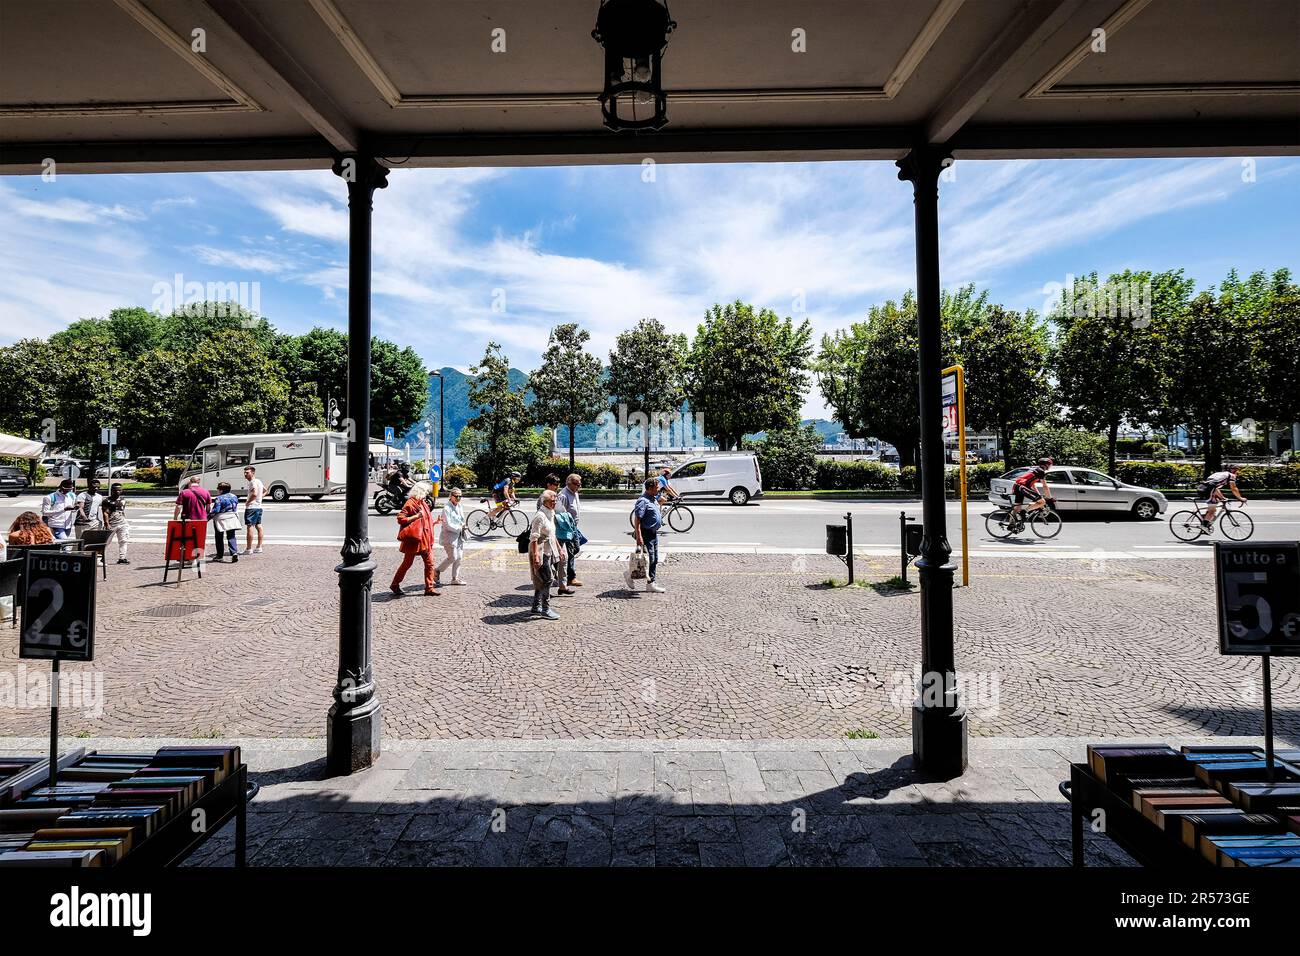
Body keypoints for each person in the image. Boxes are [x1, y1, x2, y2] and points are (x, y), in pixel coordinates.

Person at [391, 481, 438, 597]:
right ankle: (395, 584)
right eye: (426, 492)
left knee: (430, 563)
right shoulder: (410, 503)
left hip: (424, 539)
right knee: (407, 563)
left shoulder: (423, 503)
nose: (427, 494)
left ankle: (429, 588)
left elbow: (425, 520)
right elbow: (400, 518)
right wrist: (416, 516)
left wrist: (435, 522)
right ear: (420, 492)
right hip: (414, 540)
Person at [629, 477, 666, 593]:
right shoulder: (642, 501)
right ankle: (636, 577)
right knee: (650, 559)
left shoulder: (653, 498)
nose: (658, 489)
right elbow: (637, 520)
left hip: (653, 533)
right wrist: (639, 537)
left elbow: (660, 501)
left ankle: (651, 582)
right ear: (650, 488)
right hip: (646, 533)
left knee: (653, 559)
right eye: (656, 488)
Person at [529, 489, 560, 619]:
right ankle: (545, 609)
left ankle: (536, 606)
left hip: (547, 550)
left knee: (541, 580)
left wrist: (559, 548)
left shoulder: (551, 512)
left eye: (555, 501)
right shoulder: (540, 516)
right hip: (539, 552)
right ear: (545, 501)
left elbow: (552, 533)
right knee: (548, 579)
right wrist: (536, 556)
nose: (554, 503)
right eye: (552, 501)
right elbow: (534, 538)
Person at [434, 486, 467, 586]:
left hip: (459, 536)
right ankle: (437, 570)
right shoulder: (446, 508)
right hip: (449, 537)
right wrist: (460, 528)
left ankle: (454, 578)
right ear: (451, 496)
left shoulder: (459, 506)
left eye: (460, 496)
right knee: (453, 557)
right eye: (456, 496)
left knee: (459, 557)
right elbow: (447, 525)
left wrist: (463, 525)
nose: (458, 498)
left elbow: (461, 519)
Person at [556, 473, 583, 588]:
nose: (579, 486)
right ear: (569, 483)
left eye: (580, 484)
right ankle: (570, 577)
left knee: (575, 549)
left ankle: (561, 571)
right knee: (570, 552)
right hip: (567, 528)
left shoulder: (575, 493)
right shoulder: (563, 495)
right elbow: (559, 514)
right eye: (577, 484)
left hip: (574, 527)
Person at [1198, 464, 1246, 529]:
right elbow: (1234, 488)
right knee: (1212, 510)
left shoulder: (1218, 474)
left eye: (1236, 470)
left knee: (1214, 505)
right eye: (1235, 469)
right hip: (1208, 490)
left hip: (1203, 489)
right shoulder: (1231, 475)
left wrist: (1222, 498)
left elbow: (1215, 488)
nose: (1236, 471)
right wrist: (1240, 498)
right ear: (1231, 470)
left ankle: (1205, 519)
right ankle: (1204, 526)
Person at [209, 481, 241, 562]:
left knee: (219, 537)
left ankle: (220, 556)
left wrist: (207, 518)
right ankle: (234, 552)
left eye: (218, 488)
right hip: (232, 517)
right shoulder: (234, 496)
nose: (217, 490)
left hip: (221, 518)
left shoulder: (219, 498)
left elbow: (216, 510)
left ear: (221, 490)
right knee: (231, 536)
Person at [101, 482, 131, 564]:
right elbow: (105, 513)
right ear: (112, 491)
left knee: (124, 540)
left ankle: (122, 558)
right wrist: (106, 524)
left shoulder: (123, 500)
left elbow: (122, 511)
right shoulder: (107, 501)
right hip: (111, 523)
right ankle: (100, 557)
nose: (117, 492)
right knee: (106, 542)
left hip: (122, 523)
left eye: (119, 490)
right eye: (115, 490)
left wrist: (124, 519)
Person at [243, 466, 265, 554]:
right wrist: (260, 498)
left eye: (247, 473)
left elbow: (255, 494)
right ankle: (259, 547)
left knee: (250, 526)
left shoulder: (252, 482)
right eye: (244, 473)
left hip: (252, 507)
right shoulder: (259, 481)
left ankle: (248, 549)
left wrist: (248, 502)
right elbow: (266, 490)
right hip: (259, 507)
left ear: (253, 473)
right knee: (259, 526)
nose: (245, 475)